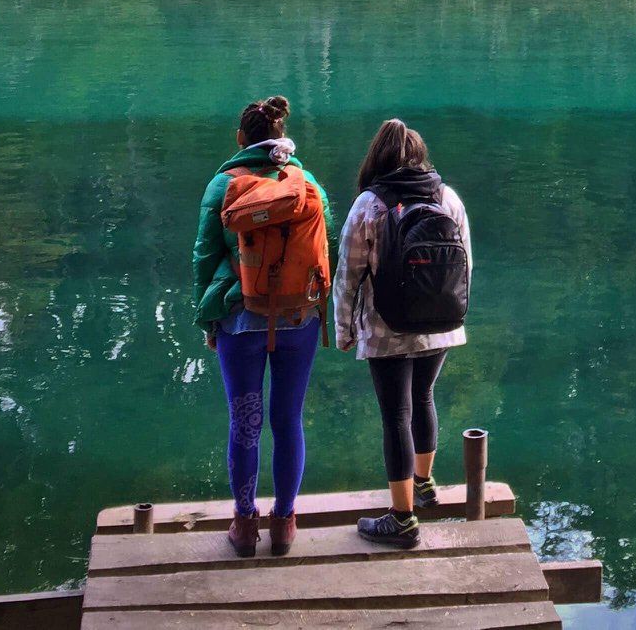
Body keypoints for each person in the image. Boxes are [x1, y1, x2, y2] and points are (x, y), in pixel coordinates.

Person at [192, 96, 333, 557]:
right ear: (282, 137)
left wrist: (208, 320)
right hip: (299, 318)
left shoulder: (222, 185)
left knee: (245, 422)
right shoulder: (307, 183)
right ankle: (285, 523)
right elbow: (325, 244)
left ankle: (245, 523)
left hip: (239, 320)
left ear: (240, 138)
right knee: (288, 419)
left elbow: (204, 256)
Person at [333, 118, 472, 549]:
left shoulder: (369, 205)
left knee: (396, 415)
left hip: (384, 326)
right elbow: (466, 264)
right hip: (440, 325)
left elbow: (347, 276)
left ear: (377, 158)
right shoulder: (447, 198)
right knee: (423, 397)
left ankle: (402, 519)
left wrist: (343, 331)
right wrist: (455, 314)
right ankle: (424, 485)